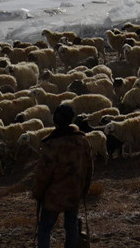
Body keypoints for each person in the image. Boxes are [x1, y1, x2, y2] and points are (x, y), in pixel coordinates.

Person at [32, 104, 94, 248]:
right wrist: (84, 189)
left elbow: (43, 173)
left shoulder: (52, 144)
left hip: (53, 195)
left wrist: (38, 193)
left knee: (45, 227)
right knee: (71, 224)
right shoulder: (82, 140)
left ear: (55, 119)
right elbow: (89, 167)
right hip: (74, 192)